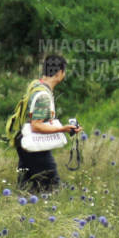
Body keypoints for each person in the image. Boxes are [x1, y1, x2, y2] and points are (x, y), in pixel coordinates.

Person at [16, 55, 80, 193]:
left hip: (23, 141)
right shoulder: (43, 95)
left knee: (27, 187)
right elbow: (36, 125)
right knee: (52, 187)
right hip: (35, 147)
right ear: (59, 73)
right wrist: (62, 129)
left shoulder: (35, 85)